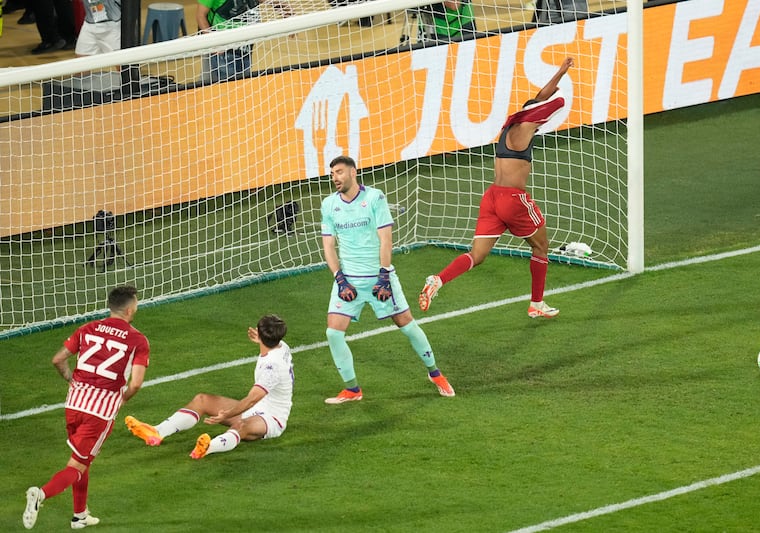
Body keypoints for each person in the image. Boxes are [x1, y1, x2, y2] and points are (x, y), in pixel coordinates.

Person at [419, 57, 574, 319]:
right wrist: (558, 100)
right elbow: (551, 106)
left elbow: (539, 99)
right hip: (513, 199)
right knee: (541, 245)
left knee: (477, 255)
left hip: (492, 198)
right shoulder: (524, 128)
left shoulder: (511, 127)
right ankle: (536, 303)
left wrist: (560, 73)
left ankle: (438, 279)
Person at [321, 155, 454, 404]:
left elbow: (386, 239)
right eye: (332, 174)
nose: (335, 178)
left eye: (339, 172)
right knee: (333, 333)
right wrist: (339, 278)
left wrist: (383, 276)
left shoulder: (374, 198)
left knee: (406, 324)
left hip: (378, 278)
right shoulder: (329, 204)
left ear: (353, 172)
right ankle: (352, 390)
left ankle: (435, 373)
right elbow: (328, 245)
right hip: (348, 280)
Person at [23, 285, 150, 530]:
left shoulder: (87, 328)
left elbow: (58, 359)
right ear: (131, 309)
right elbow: (136, 384)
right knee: (77, 465)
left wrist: (71, 378)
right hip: (99, 413)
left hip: (74, 405)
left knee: (83, 460)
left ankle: (80, 516)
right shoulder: (138, 339)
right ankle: (41, 494)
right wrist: (122, 399)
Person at [125, 314, 293, 459]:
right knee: (202, 400)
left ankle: (207, 448)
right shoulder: (280, 345)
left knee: (241, 425)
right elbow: (270, 341)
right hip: (258, 406)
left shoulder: (272, 368)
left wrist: (226, 414)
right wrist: (261, 339)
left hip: (272, 419)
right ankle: (157, 432)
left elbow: (250, 400)